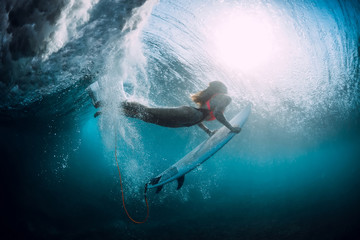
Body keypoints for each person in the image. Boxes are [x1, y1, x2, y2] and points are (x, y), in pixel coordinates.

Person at [93, 81, 241, 136]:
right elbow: (217, 114)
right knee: (147, 111)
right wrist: (230, 128)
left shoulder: (212, 98)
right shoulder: (226, 97)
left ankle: (109, 109)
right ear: (223, 88)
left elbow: (199, 118)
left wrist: (208, 131)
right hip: (187, 115)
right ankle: (108, 103)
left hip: (187, 120)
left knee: (146, 117)